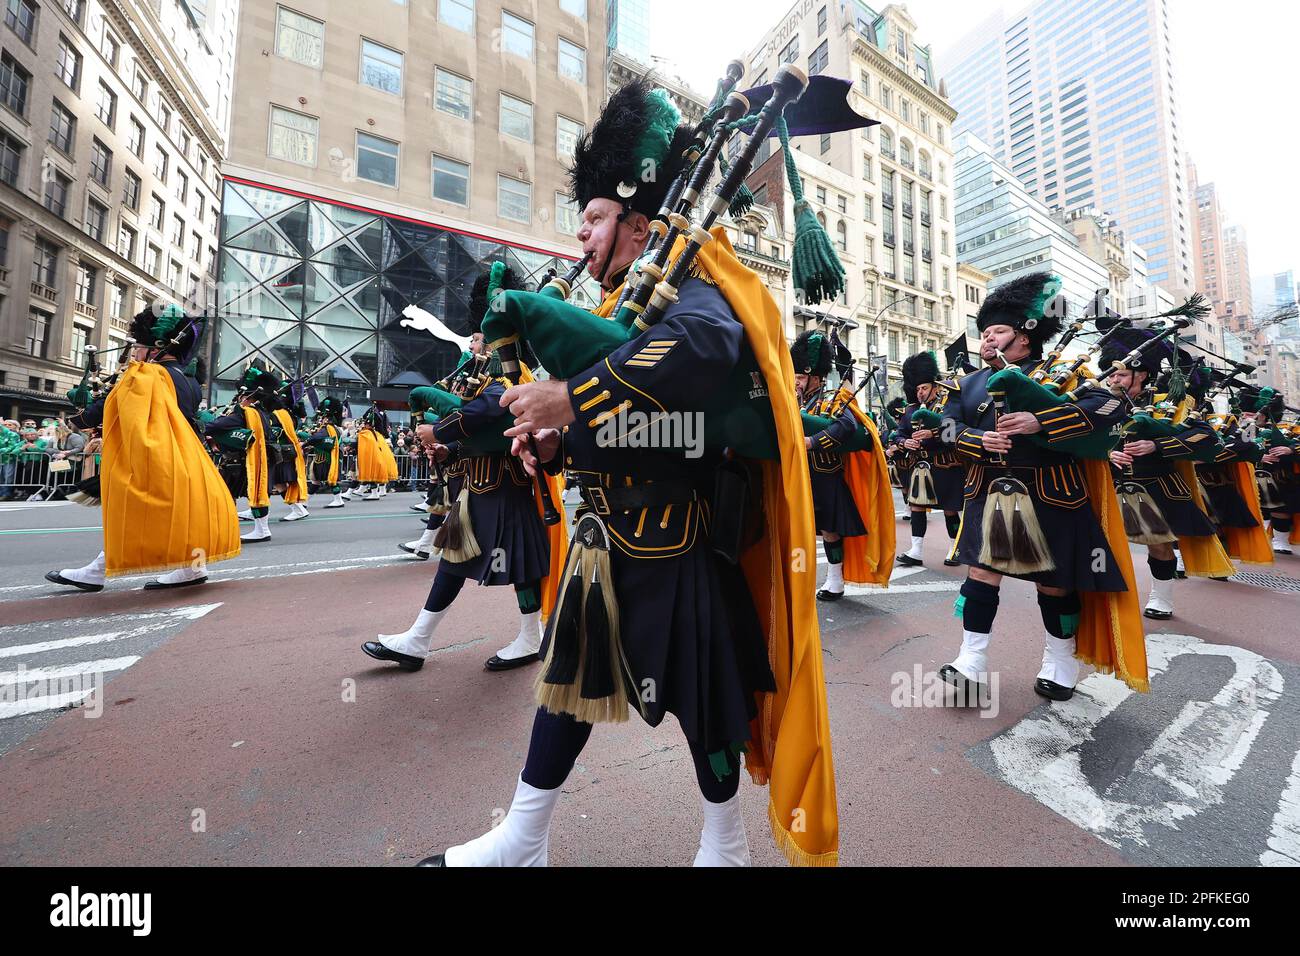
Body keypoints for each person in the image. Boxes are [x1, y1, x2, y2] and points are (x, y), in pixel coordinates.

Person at [414, 76, 837, 867]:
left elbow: (705, 362)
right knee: (565, 691)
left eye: (596, 219)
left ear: (640, 225)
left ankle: (726, 845)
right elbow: (634, 424)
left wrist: (571, 399)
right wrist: (556, 444)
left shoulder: (702, 289)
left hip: (679, 545)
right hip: (604, 536)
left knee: (704, 702)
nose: (582, 238)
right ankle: (523, 840)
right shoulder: (626, 309)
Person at [938, 272, 1146, 702]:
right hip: (988, 489)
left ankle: (1060, 660)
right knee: (981, 573)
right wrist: (978, 439)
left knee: (1053, 584)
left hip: (1052, 491)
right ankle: (970, 659)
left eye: (997, 330)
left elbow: (1111, 407)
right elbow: (944, 428)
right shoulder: (966, 383)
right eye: (984, 331)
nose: (988, 338)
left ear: (1025, 336)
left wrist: (1041, 420)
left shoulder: (1069, 373)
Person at [362, 265, 566, 673]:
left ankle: (522, 637)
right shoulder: (493, 372)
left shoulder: (512, 375)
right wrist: (449, 451)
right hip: (483, 487)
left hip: (505, 487)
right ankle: (422, 640)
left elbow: (487, 413)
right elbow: (482, 432)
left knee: (509, 566)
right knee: (466, 562)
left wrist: (437, 429)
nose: (478, 343)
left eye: (482, 336)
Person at [45, 305, 239, 591]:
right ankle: (192, 569)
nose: (135, 352)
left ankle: (97, 572)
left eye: (138, 346)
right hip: (187, 455)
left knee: (134, 513)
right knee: (182, 514)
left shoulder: (148, 374)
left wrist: (79, 419)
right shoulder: (189, 381)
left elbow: (114, 404)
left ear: (156, 348)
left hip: (157, 456)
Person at [1106, 334, 1232, 619]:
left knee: (1159, 545)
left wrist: (1157, 444)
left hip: (1156, 484)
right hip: (1109, 482)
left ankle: (1160, 597)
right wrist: (1107, 454)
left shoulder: (1169, 403)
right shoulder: (1100, 400)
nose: (1114, 379)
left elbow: (1206, 437)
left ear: (1143, 374)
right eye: (1112, 373)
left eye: (1122, 374)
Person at [790, 330, 892, 600]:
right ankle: (798, 575)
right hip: (800, 474)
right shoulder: (795, 399)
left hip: (826, 475)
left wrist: (812, 441)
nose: (796, 382)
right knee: (799, 528)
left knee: (829, 530)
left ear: (815, 375)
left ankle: (835, 580)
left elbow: (846, 427)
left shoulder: (834, 397)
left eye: (800, 377)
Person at [895, 351, 963, 568]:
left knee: (950, 509)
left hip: (945, 464)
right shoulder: (911, 409)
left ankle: (956, 546)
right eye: (917, 389)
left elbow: (953, 432)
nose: (920, 392)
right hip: (921, 466)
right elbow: (897, 433)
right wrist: (905, 443)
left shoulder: (948, 404)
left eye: (924, 388)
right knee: (916, 506)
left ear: (935, 386)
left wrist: (931, 434)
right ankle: (916, 550)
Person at [206, 367, 278, 543]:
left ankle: (230, 528)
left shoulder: (246, 413)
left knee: (225, 494)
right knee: (248, 493)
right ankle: (261, 529)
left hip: (241, 462)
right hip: (253, 460)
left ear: (246, 395)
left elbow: (214, 426)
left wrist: (206, 417)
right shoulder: (262, 413)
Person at [303, 397, 347, 509]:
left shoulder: (328, 428)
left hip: (325, 459)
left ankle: (338, 500)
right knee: (316, 480)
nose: (320, 419)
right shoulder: (332, 428)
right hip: (323, 457)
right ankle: (305, 502)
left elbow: (317, 438)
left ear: (327, 418)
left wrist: (305, 443)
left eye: (322, 417)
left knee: (328, 479)